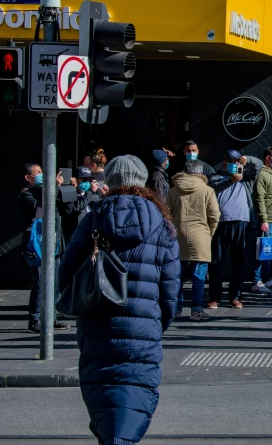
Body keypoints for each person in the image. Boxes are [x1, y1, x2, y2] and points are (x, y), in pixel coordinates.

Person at [57, 155, 181, 445]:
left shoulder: (93, 218)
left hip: (98, 319)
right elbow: (171, 285)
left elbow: (66, 272)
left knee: (103, 387)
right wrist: (158, 322)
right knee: (135, 389)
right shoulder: (161, 225)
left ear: (109, 182)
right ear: (142, 182)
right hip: (144, 324)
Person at [207, 150, 263, 308]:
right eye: (230, 161)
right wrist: (231, 180)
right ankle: (214, 297)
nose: (234, 164)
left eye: (237, 161)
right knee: (216, 261)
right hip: (220, 222)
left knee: (239, 261)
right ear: (224, 162)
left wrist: (249, 158)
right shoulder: (216, 176)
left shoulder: (246, 177)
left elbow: (258, 165)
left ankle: (235, 296)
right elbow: (213, 188)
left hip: (241, 222)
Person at [19, 163, 69, 334]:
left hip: (53, 242)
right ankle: (35, 318)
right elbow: (42, 208)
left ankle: (51, 316)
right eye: (38, 173)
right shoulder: (26, 195)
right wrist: (53, 187)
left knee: (55, 281)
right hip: (38, 245)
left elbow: (67, 208)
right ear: (28, 178)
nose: (42, 175)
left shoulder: (48, 192)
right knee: (40, 282)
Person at [168, 160, 220, 321]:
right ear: (200, 173)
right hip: (200, 236)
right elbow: (214, 215)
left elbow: (166, 214)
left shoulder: (173, 190)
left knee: (178, 276)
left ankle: (176, 308)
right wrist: (208, 233)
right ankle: (196, 309)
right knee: (199, 276)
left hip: (177, 235)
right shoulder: (207, 190)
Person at [253, 146, 272, 293]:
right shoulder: (262, 175)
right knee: (263, 251)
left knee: (269, 253)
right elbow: (259, 198)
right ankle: (256, 281)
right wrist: (263, 219)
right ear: (268, 157)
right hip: (268, 220)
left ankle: (266, 279)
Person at [61, 166, 106, 243]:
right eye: (83, 179)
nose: (86, 182)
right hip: (76, 237)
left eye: (89, 180)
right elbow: (77, 207)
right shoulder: (70, 194)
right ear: (75, 179)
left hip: (91, 235)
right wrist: (91, 191)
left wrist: (105, 196)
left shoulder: (93, 196)